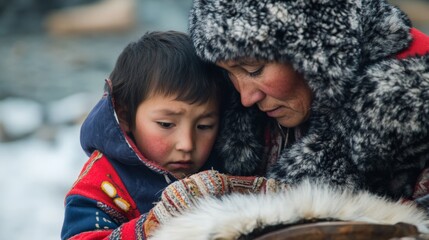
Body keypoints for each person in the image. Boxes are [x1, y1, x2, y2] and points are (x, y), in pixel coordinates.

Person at [60, 30, 227, 240]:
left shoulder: (226, 160)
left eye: (204, 126)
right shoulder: (103, 183)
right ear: (126, 117)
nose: (187, 144)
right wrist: (153, 226)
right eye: (166, 124)